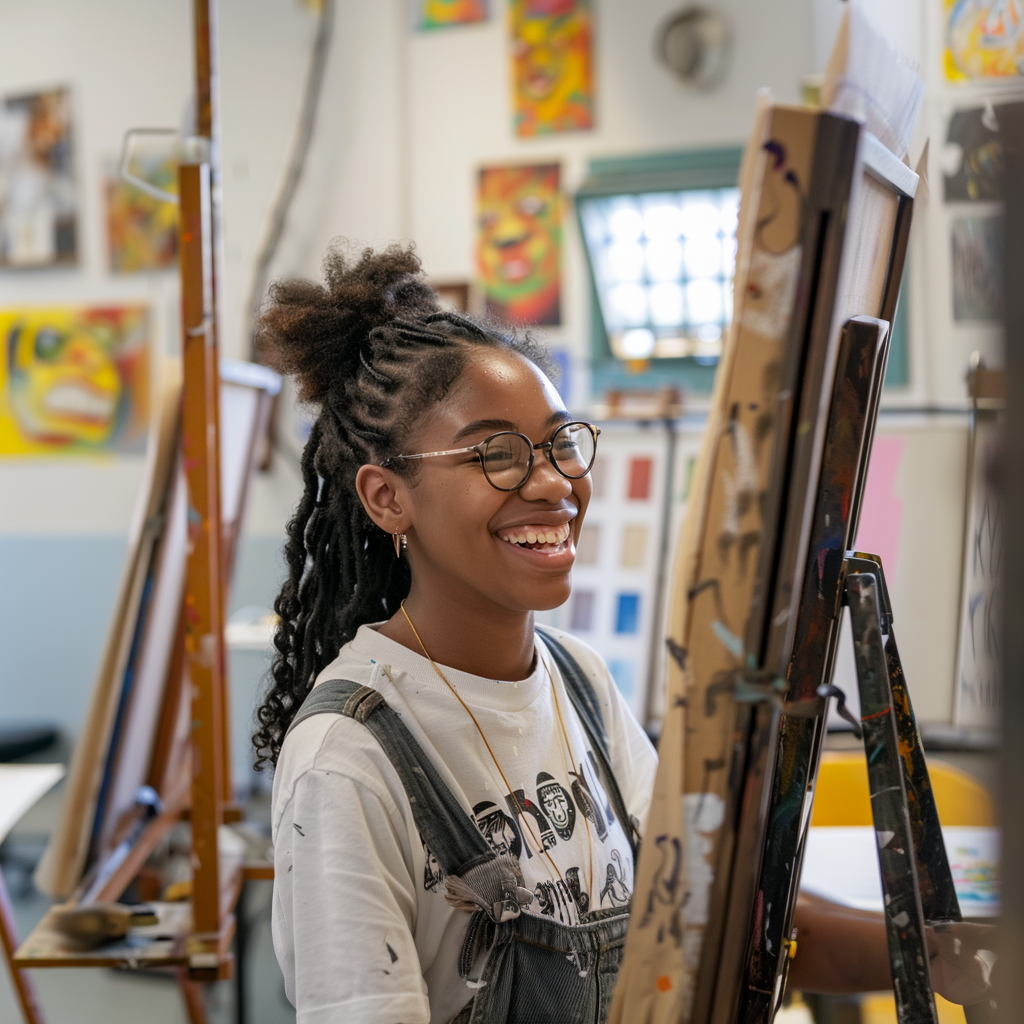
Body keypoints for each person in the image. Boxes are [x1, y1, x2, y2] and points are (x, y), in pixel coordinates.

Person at [254, 244, 993, 1024]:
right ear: (386, 497)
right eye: (496, 454)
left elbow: (714, 916)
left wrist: (949, 953)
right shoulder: (346, 762)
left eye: (560, 442)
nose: (551, 484)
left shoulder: (577, 680)